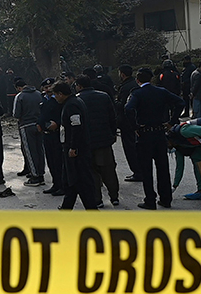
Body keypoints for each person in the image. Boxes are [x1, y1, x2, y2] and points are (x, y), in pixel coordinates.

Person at [125, 68, 185, 210]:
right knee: (163, 168)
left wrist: (135, 126)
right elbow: (180, 103)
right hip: (159, 133)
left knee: (146, 170)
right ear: (151, 79)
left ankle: (150, 200)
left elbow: (128, 108)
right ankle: (166, 199)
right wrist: (172, 120)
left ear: (138, 80)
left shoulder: (137, 93)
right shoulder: (161, 91)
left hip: (144, 134)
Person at [51, 81, 98, 210]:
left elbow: (76, 126)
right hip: (72, 147)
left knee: (80, 180)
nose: (55, 98)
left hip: (77, 150)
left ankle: (92, 209)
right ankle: (67, 207)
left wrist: (73, 147)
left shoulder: (72, 105)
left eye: (55, 95)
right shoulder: (74, 102)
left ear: (60, 94)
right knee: (70, 179)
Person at [75, 75, 120, 207]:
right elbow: (112, 117)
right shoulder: (104, 96)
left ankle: (97, 199)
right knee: (108, 170)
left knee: (92, 172)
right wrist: (113, 134)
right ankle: (114, 196)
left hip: (87, 142)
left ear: (79, 86)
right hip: (104, 140)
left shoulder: (77, 100)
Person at [13, 79, 45, 186]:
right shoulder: (39, 94)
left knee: (30, 152)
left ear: (18, 88)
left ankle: (35, 176)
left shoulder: (20, 96)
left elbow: (16, 114)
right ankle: (41, 174)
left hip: (26, 126)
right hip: (39, 125)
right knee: (40, 150)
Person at [37, 78, 64, 197]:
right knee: (51, 161)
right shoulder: (43, 100)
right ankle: (55, 184)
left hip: (56, 134)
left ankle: (62, 185)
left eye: (50, 87)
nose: (48, 90)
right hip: (46, 134)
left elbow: (64, 116)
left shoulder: (59, 101)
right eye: (46, 87)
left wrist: (57, 124)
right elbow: (41, 115)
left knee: (58, 161)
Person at [116, 65, 142, 182]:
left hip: (126, 122)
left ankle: (137, 171)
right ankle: (138, 170)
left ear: (122, 74)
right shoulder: (134, 85)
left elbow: (122, 105)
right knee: (134, 146)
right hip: (134, 120)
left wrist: (114, 103)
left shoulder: (126, 87)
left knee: (130, 147)